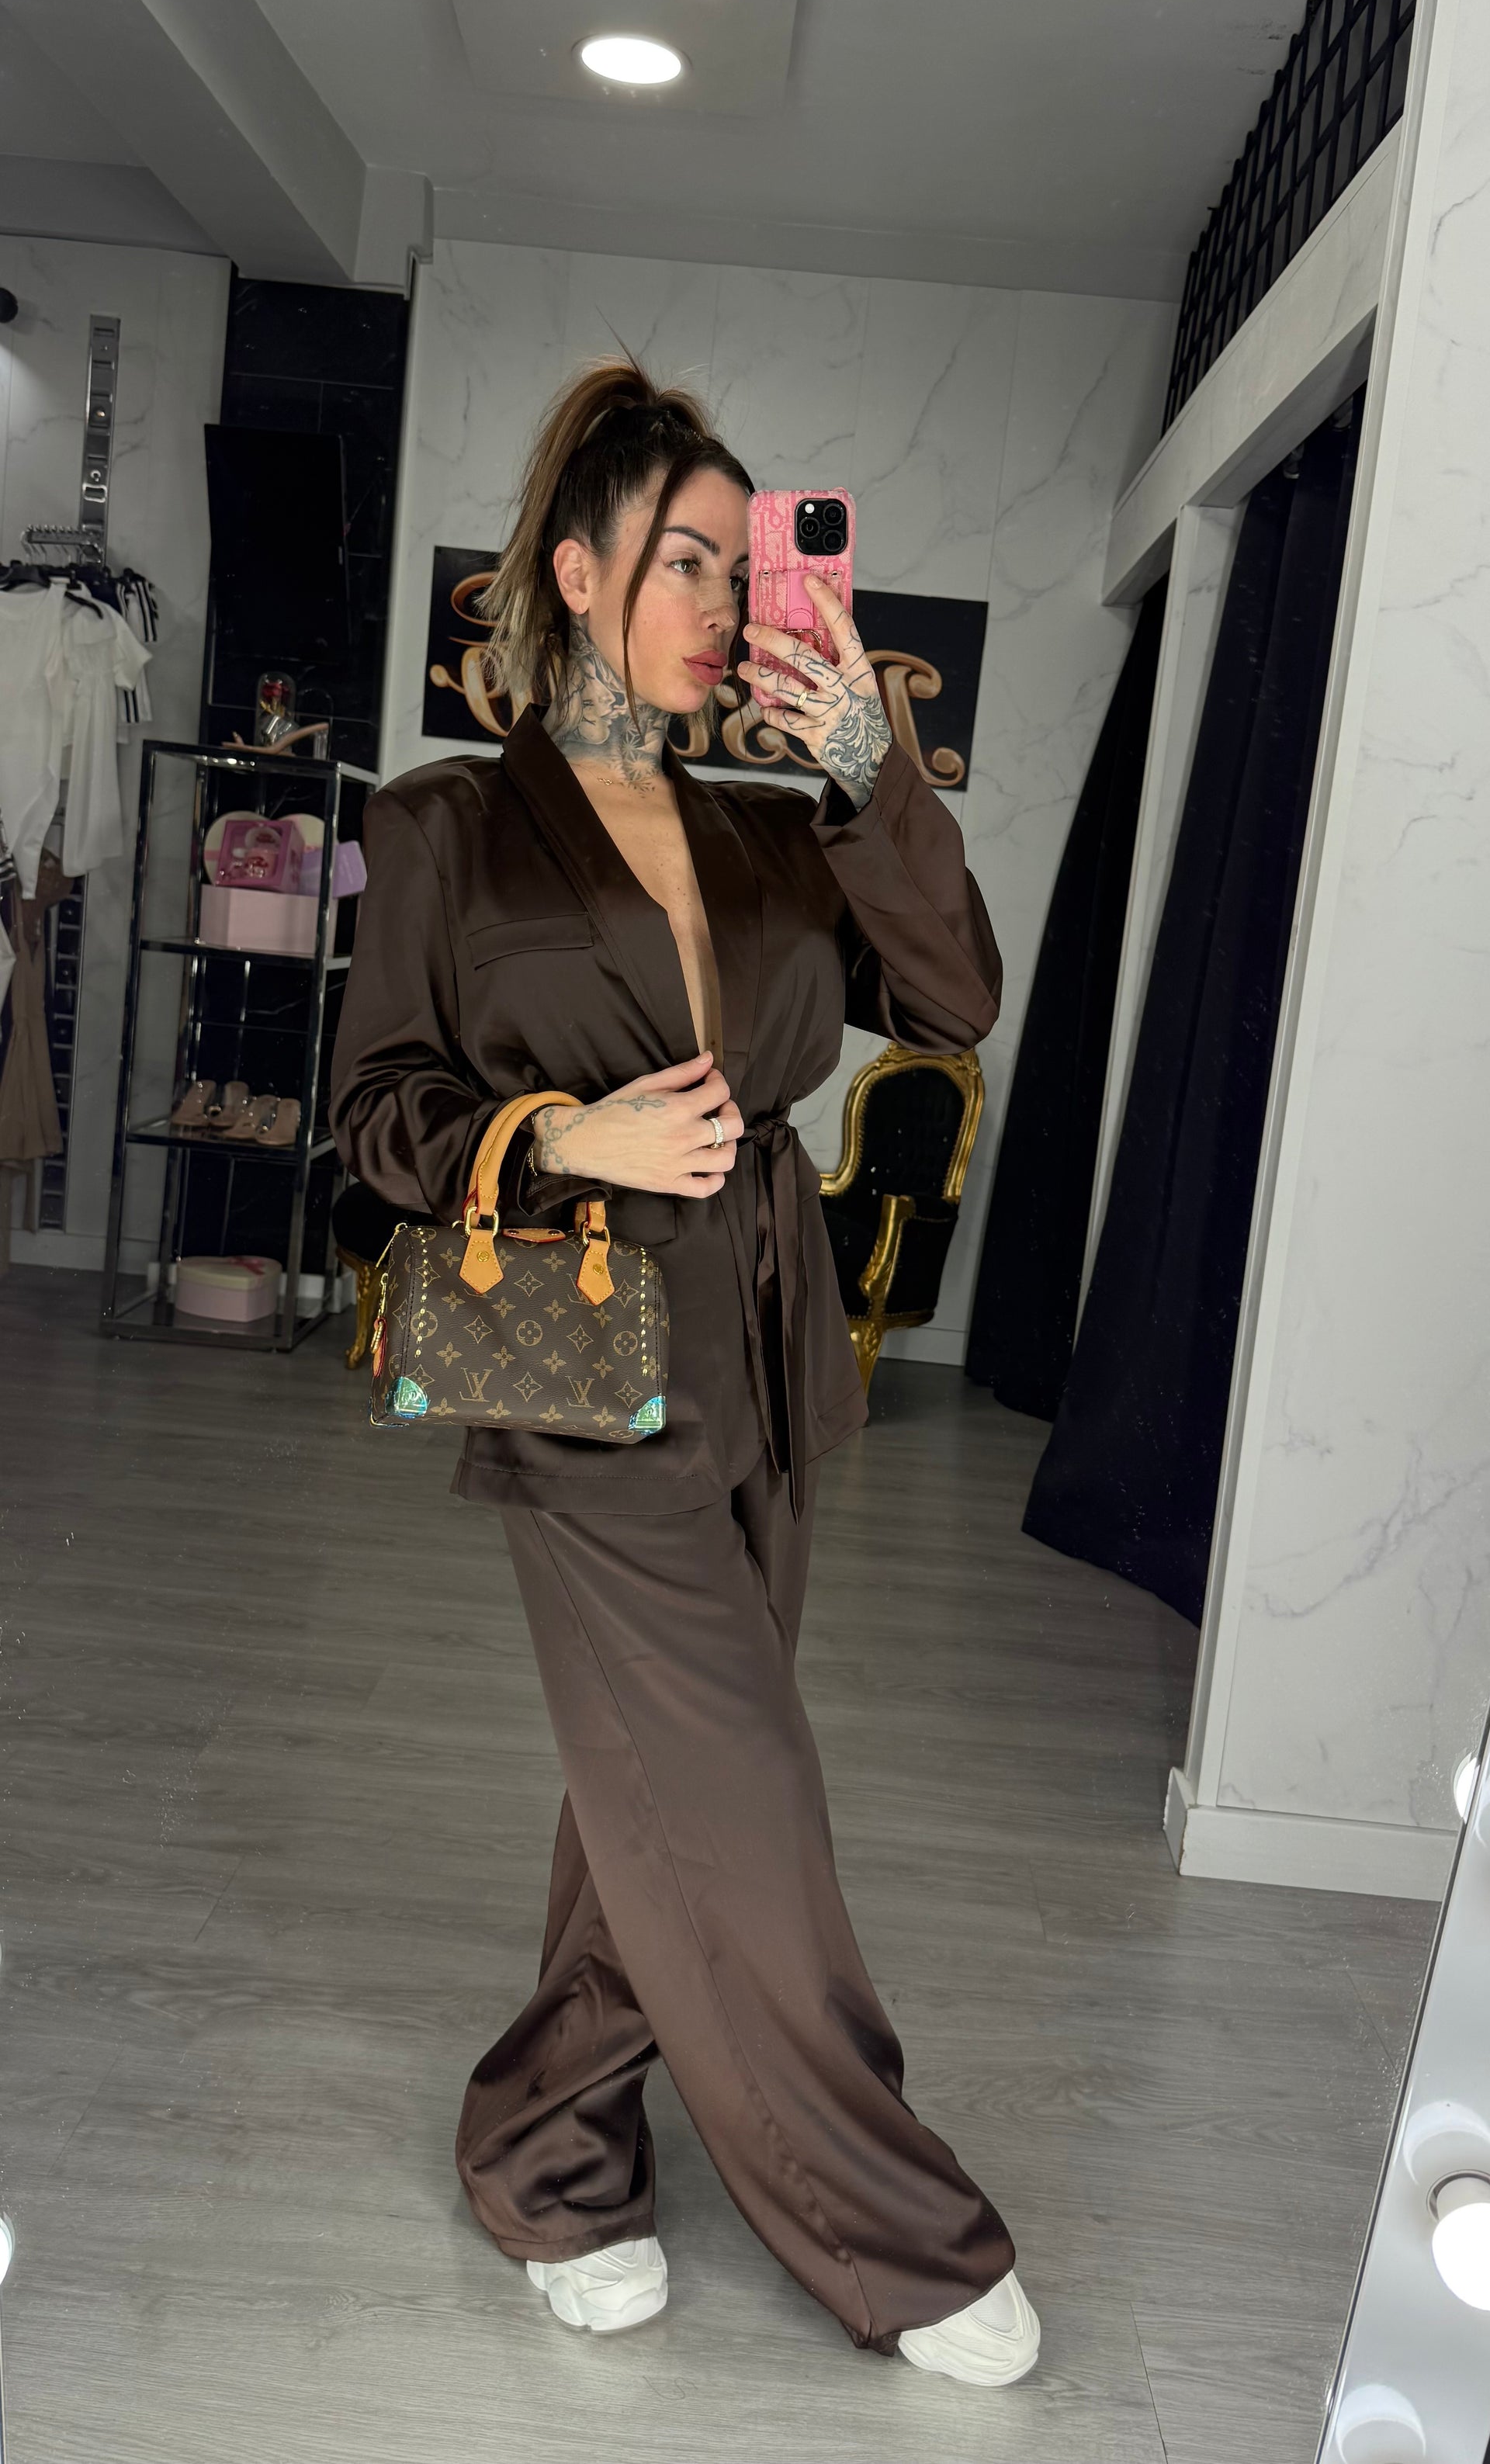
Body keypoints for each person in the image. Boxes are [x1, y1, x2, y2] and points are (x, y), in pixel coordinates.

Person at [330, 361, 1038, 2388]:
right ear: (576, 571)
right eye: (686, 563)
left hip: (771, 1343)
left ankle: (549, 2147)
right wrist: (564, 1131)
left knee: (653, 1790)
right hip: (578, 1351)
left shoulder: (771, 833)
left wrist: (872, 776)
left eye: (745, 567)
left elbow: (953, 998)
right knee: (741, 1785)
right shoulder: (446, 824)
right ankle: (895, 2230)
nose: (726, 604)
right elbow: (374, 1119)